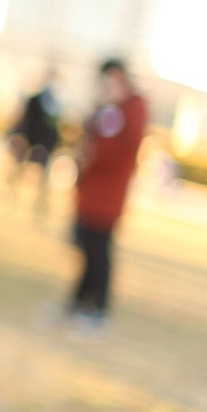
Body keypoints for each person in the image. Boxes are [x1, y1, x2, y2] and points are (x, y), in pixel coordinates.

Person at [68, 57, 147, 334]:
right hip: (91, 191)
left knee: (99, 250)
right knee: (87, 248)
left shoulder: (133, 108)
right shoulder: (108, 107)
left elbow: (121, 149)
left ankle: (98, 307)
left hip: (109, 194)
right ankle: (78, 301)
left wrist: (94, 153)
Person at [7, 69, 62, 212]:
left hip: (44, 143)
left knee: (43, 175)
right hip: (30, 139)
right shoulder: (37, 100)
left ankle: (39, 204)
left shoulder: (55, 104)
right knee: (19, 169)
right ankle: (10, 195)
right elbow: (26, 120)